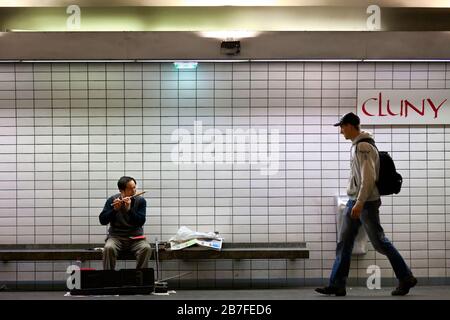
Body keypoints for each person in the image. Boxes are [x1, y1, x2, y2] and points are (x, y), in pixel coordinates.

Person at [315, 112, 417, 297]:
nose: (341, 131)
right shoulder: (357, 146)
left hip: (366, 203)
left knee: (380, 243)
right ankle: (337, 284)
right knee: (344, 242)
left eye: (342, 127)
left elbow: (368, 179)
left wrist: (360, 203)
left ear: (352, 126)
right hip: (355, 200)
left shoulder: (363, 146)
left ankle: (406, 277)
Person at [99, 176, 152, 270]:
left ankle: (140, 278)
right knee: (108, 248)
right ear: (121, 190)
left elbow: (140, 222)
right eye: (130, 189)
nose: (134, 191)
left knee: (146, 248)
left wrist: (129, 210)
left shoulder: (141, 201)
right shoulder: (112, 200)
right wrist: (114, 210)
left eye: (134, 187)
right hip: (116, 237)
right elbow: (102, 220)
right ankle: (109, 278)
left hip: (135, 238)